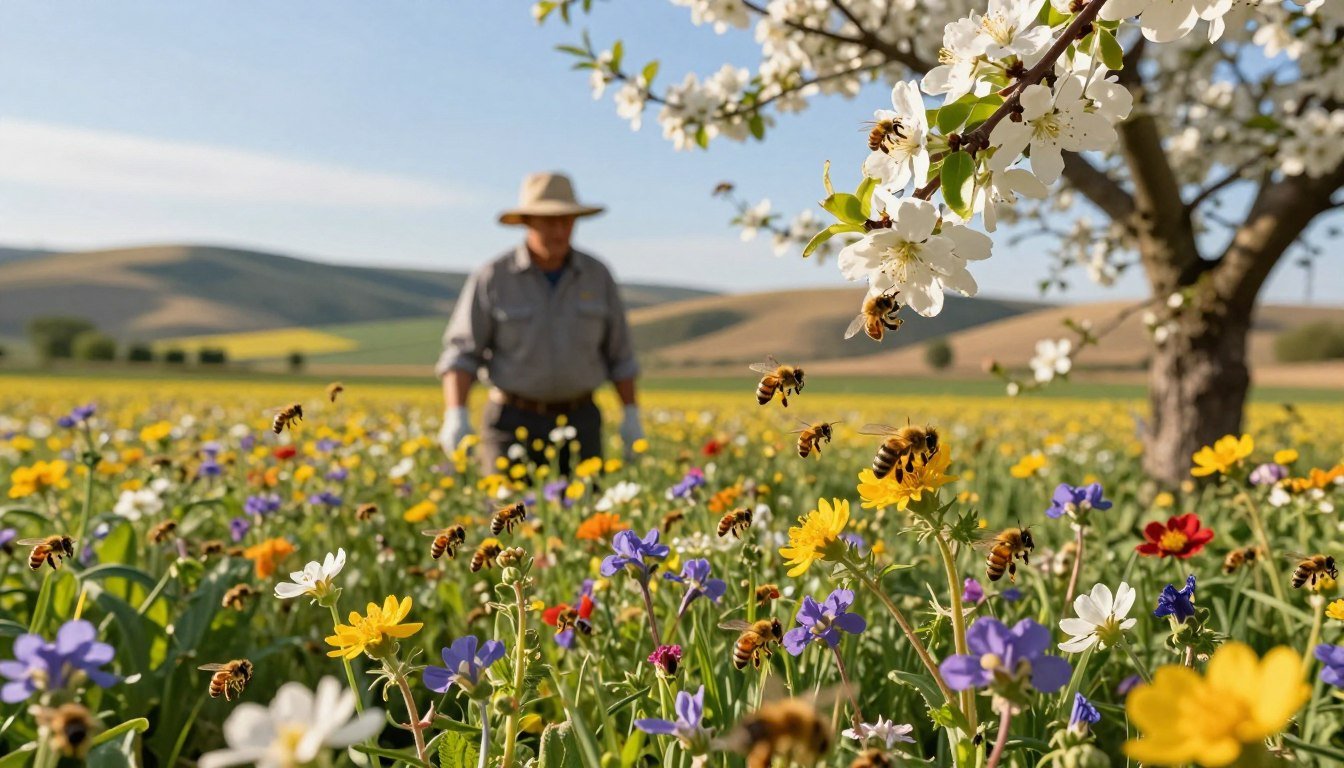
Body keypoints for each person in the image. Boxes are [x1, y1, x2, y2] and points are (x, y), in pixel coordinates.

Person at [436, 171, 644, 475]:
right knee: (507, 517)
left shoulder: (597, 275)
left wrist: (631, 415)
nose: (559, 230)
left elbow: (620, 354)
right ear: (527, 221)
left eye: (567, 220)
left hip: (581, 421)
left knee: (586, 520)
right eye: (549, 221)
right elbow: (462, 354)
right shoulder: (493, 277)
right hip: (511, 422)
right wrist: (456, 414)